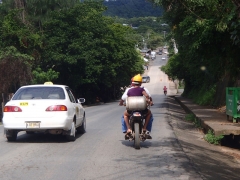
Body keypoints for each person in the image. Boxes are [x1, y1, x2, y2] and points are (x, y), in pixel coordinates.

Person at [119, 74, 153, 140]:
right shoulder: (142, 89)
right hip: (142, 110)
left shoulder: (129, 90)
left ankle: (128, 128)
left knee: (125, 115)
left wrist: (122, 103)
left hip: (131, 110)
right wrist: (148, 100)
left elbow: (126, 98)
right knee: (149, 113)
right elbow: (147, 96)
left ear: (133, 83)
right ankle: (145, 128)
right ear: (140, 83)